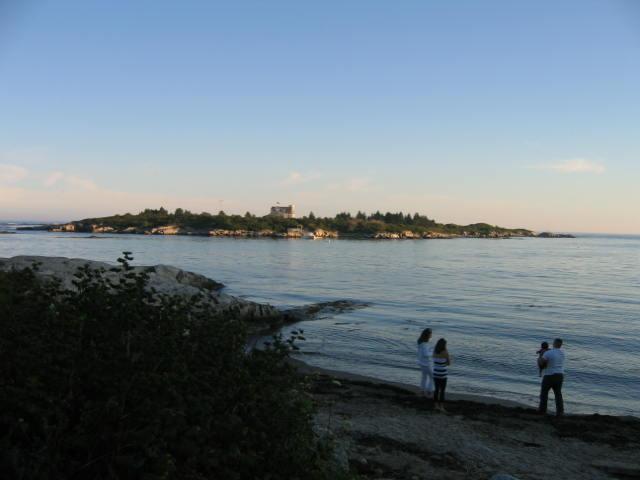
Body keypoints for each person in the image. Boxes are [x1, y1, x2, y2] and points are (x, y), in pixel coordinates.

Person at [538, 338, 565, 417]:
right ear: (560, 345)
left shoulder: (548, 353)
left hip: (549, 375)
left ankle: (542, 411)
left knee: (544, 393)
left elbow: (541, 363)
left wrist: (540, 356)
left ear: (554, 343)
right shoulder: (563, 353)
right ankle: (560, 412)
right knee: (558, 394)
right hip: (560, 375)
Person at [432, 338, 451, 412]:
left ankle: (435, 405)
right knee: (442, 391)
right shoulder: (445, 352)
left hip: (436, 373)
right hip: (443, 374)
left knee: (436, 390)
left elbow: (434, 361)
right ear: (444, 345)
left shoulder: (434, 351)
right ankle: (441, 407)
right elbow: (449, 363)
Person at [417, 328, 434, 398]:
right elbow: (426, 354)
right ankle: (429, 391)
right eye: (431, 333)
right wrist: (433, 352)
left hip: (421, 362)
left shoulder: (420, 342)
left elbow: (424, 352)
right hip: (427, 363)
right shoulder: (424, 344)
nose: (431, 335)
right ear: (428, 335)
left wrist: (430, 349)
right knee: (432, 377)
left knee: (424, 377)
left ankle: (422, 390)